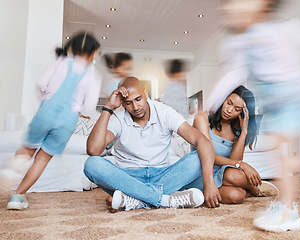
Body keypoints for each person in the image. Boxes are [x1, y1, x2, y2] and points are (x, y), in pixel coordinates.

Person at [206, 0, 300, 232]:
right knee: (282, 157)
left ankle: (289, 210)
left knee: (283, 155)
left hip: (294, 96)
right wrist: (211, 101)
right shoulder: (240, 44)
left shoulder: (285, 29)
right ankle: (289, 206)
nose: (233, 8)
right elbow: (231, 74)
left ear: (264, 5)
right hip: (276, 106)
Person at [83, 76, 221, 212]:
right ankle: (164, 200)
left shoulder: (164, 112)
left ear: (146, 93)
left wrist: (209, 182)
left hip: (162, 175)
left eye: (138, 99)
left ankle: (136, 200)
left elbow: (202, 141)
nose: (136, 107)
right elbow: (93, 150)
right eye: (128, 103)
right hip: (129, 178)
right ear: (123, 104)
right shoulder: (118, 118)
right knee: (92, 164)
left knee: (199, 157)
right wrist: (108, 107)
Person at [0, 32, 102, 210]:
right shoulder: (92, 75)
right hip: (68, 120)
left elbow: (41, 83)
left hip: (47, 111)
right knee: (42, 159)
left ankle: (10, 170)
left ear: (70, 48)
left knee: (28, 148)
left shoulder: (61, 62)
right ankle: (17, 197)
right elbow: (90, 104)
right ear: (94, 53)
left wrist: (47, 100)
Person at [187, 86, 278, 204]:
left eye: (237, 109)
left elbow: (235, 161)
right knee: (235, 177)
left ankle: (249, 190)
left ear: (243, 112)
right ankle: (255, 189)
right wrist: (242, 165)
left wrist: (244, 132)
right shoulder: (202, 118)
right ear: (223, 99)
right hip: (201, 173)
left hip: (223, 175)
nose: (229, 110)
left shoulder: (237, 128)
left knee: (237, 195)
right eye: (229, 103)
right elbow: (208, 155)